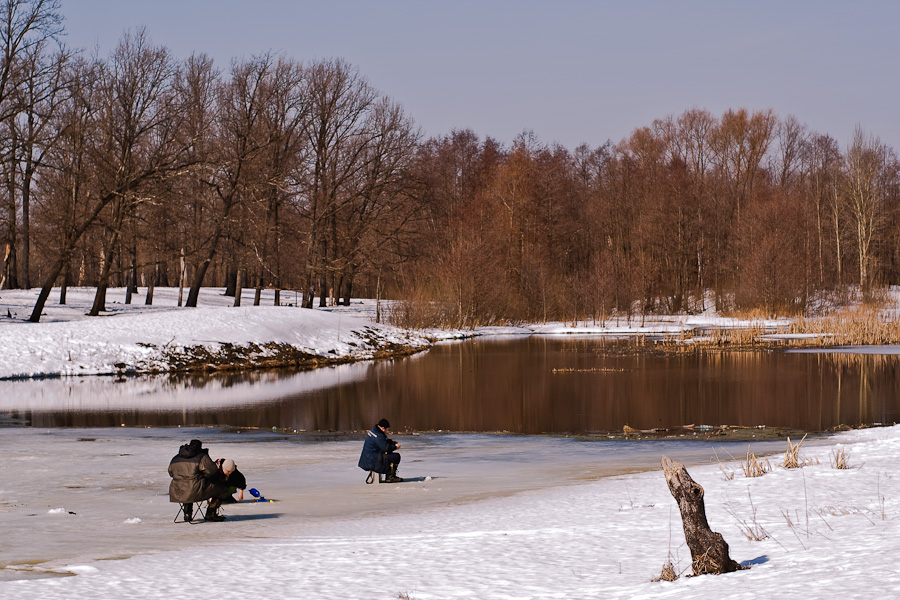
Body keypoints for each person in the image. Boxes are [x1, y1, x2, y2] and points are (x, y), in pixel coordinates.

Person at [168, 439, 231, 522]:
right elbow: (212, 471)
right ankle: (211, 514)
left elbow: (170, 472)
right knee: (222, 489)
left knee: (187, 488)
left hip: (177, 491)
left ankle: (187, 514)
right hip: (196, 491)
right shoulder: (201, 457)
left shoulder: (176, 458)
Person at [358, 418, 403, 483]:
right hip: (372, 460)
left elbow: (381, 443)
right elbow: (385, 447)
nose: (387, 431)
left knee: (389, 454)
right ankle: (390, 477)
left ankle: (390, 475)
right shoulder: (378, 435)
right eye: (387, 429)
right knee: (396, 456)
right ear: (382, 428)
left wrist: (391, 442)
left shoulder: (374, 431)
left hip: (368, 458)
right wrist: (395, 447)